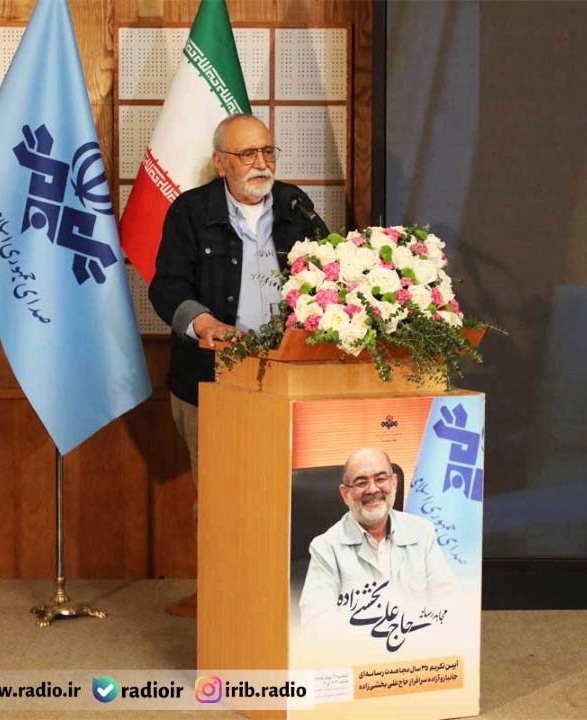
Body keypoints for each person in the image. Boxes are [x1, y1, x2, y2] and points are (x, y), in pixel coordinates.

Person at [148, 114, 320, 616]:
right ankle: (221, 597)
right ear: (220, 163)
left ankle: (279, 594)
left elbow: (329, 277)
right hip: (211, 376)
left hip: (287, 372)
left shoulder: (296, 207)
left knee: (285, 492)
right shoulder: (190, 211)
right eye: (247, 154)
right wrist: (201, 322)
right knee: (221, 495)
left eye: (267, 151)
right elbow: (167, 286)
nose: (261, 163)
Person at [298, 447, 459, 629]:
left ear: (394, 483)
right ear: (345, 494)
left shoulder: (422, 532)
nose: (373, 489)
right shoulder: (326, 547)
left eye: (381, 479)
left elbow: (449, 603)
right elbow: (315, 623)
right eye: (361, 482)